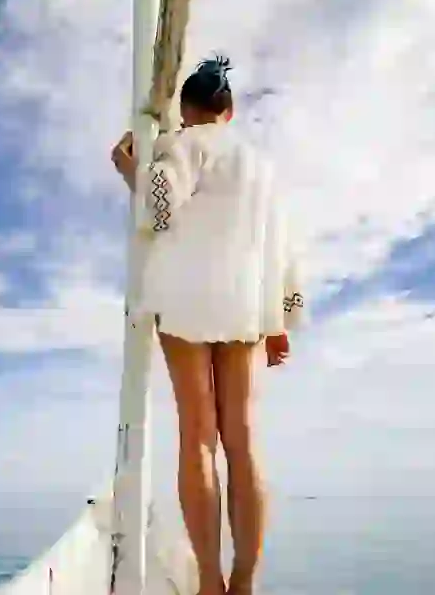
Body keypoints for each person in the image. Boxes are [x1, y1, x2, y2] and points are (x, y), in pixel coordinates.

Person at [110, 55, 305, 595]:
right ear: (231, 110)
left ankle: (210, 583)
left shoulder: (183, 144)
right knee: (240, 439)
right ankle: (244, 581)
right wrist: (281, 320)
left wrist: (131, 169)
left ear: (187, 110)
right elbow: (283, 246)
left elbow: (162, 204)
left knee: (197, 437)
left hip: (184, 299)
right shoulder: (261, 166)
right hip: (245, 303)